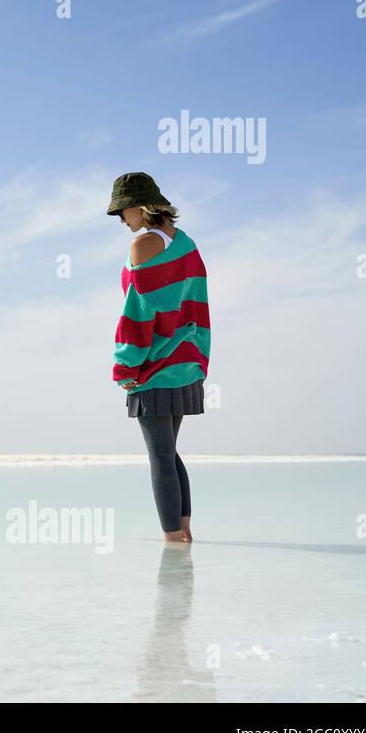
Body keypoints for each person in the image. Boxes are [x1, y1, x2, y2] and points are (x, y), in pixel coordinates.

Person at [107, 172, 210, 543]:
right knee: (169, 453)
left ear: (140, 206)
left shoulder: (144, 244)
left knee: (160, 457)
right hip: (185, 362)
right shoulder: (185, 243)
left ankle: (171, 542)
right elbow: (197, 306)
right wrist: (200, 360)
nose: (122, 220)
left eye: (122, 211)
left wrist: (125, 365)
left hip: (152, 367)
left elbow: (139, 311)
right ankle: (183, 532)